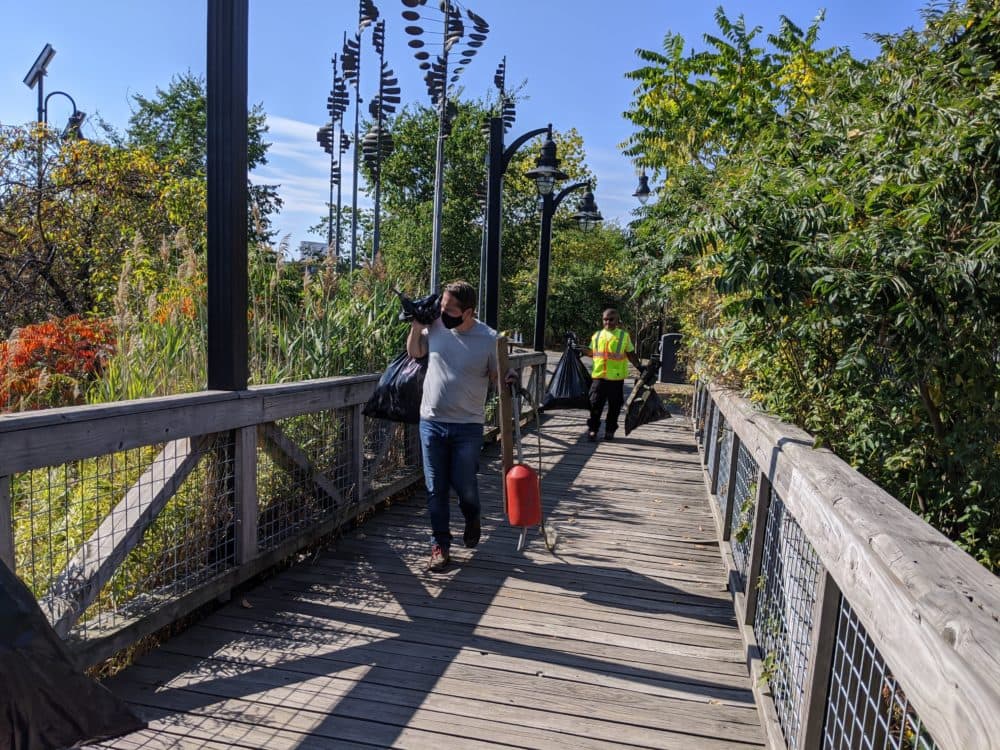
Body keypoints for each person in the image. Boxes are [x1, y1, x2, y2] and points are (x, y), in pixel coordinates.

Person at [407, 280, 500, 572]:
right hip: (432, 421)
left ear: (468, 311)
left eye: (449, 309)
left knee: (465, 487)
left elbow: (498, 375)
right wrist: (415, 325)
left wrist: (506, 379)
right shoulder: (435, 326)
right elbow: (415, 353)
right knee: (435, 488)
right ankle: (440, 546)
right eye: (441, 307)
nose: (442, 312)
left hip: (468, 425)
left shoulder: (488, 338)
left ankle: (472, 515)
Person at [580, 308, 642, 442]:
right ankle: (593, 430)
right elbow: (592, 352)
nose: (607, 322)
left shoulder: (623, 336)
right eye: (605, 319)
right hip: (599, 377)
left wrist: (639, 367)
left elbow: (631, 354)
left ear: (617, 320)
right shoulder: (597, 335)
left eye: (611, 319)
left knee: (614, 407)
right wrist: (579, 350)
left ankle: (609, 431)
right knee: (595, 406)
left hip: (616, 379)